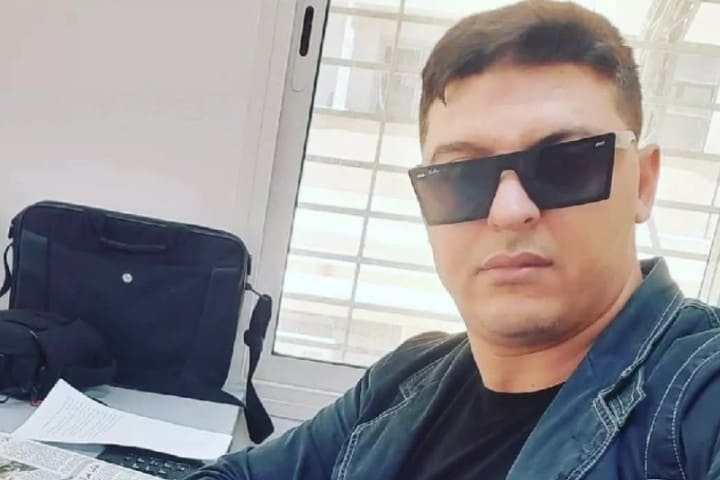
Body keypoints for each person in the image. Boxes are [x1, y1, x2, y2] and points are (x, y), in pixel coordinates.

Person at [188, 1, 720, 479]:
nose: (509, 211)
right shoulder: (406, 379)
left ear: (642, 183)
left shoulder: (698, 394)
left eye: (566, 163)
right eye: (463, 175)